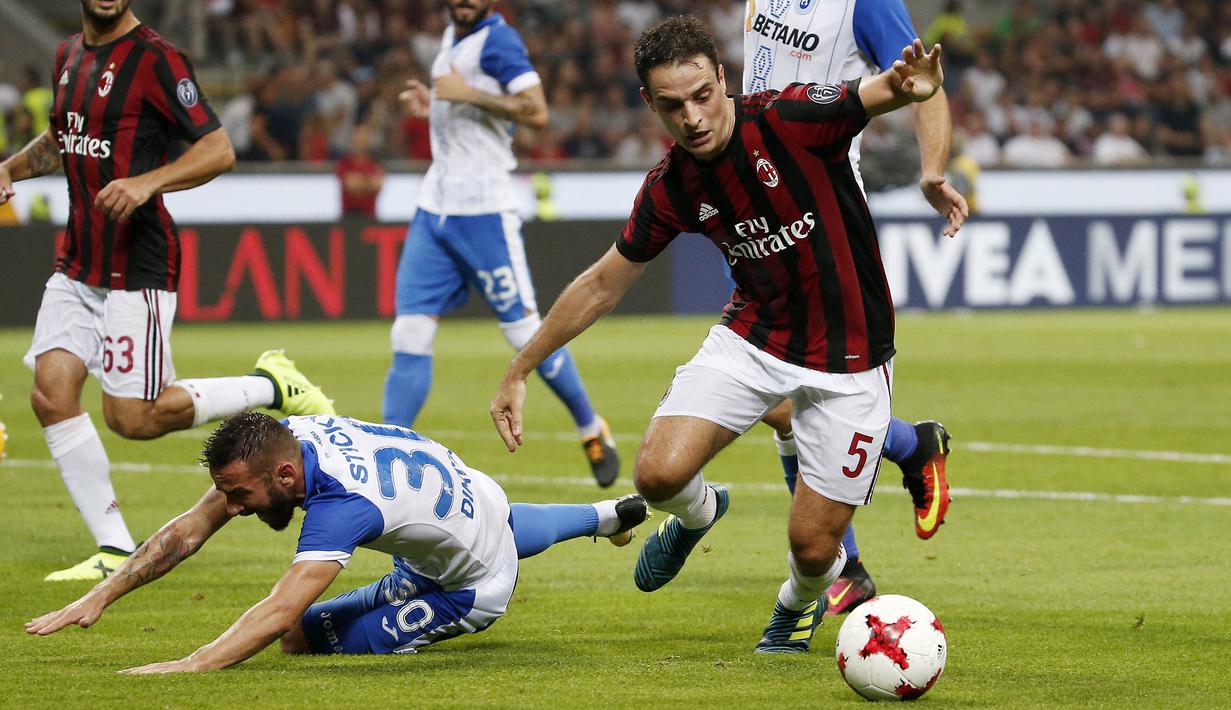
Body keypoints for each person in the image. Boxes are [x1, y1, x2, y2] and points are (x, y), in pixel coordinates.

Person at [492, 16, 956, 654]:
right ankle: (702, 511)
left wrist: (915, 87)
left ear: (722, 77)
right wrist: (519, 368)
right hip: (755, 336)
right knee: (656, 474)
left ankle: (796, 601)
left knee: (813, 547)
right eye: (672, 105)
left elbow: (874, 93)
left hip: (852, 355)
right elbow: (603, 283)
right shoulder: (671, 185)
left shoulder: (790, 119)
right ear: (649, 104)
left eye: (702, 96)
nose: (692, 117)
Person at [0, 0, 336, 582]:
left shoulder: (156, 59)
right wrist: (10, 167)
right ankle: (111, 547)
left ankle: (271, 385)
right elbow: (63, 140)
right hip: (78, 261)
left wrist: (147, 181)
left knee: (133, 418)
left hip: (138, 264)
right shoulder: (67, 56)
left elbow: (218, 149)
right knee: (52, 395)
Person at [25, 412, 649, 672]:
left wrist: (193, 664)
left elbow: (279, 613)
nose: (234, 510)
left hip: (470, 590)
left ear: (286, 478)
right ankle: (603, 516)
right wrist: (103, 594)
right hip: (472, 494)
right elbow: (189, 528)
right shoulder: (284, 438)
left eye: (240, 497)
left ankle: (592, 521)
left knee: (299, 640)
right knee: (495, 523)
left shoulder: (340, 508)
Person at [743, 0, 967, 616]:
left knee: (795, 396)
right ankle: (908, 451)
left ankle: (847, 562)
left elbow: (923, 81)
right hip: (756, 207)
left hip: (823, 217)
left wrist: (932, 171)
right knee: (782, 404)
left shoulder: (865, 3)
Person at [386, 0, 620, 486]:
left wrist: (465, 94)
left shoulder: (500, 40)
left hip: (485, 212)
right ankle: (385, 451)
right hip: (435, 208)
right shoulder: (454, 35)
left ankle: (589, 425)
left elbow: (536, 112)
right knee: (408, 333)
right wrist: (436, 107)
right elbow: (471, 114)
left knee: (524, 334)